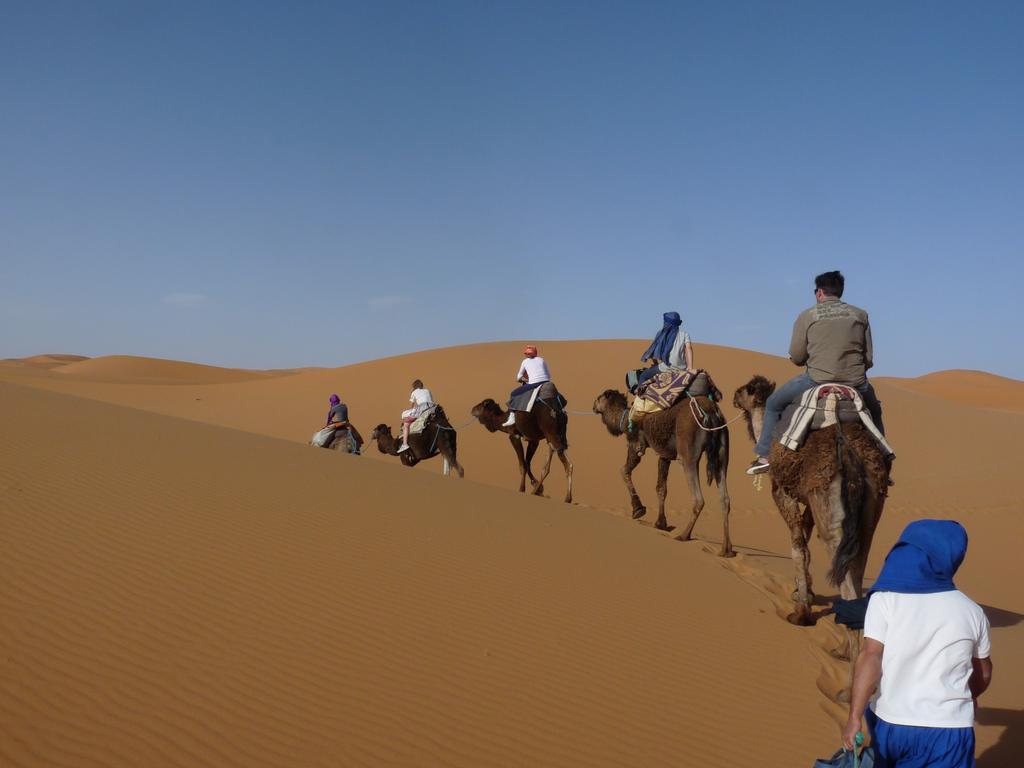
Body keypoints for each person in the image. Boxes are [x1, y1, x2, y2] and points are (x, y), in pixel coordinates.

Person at [842, 519, 992, 767]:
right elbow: (983, 671)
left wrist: (854, 717)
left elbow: (871, 656)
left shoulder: (884, 599)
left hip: (889, 724)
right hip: (948, 730)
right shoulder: (972, 611)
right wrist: (970, 695)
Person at [747, 270, 885, 475]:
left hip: (816, 379)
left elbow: (797, 356)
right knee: (875, 410)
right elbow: (868, 358)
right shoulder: (861, 315)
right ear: (840, 292)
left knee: (773, 403)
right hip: (856, 382)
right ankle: (881, 457)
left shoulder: (807, 316)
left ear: (820, 292)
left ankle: (765, 455)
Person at [636, 311, 694, 388]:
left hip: (666, 368)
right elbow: (688, 348)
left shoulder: (661, 333)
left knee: (643, 375)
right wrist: (690, 366)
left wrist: (655, 363)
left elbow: (654, 351)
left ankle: (640, 398)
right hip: (682, 369)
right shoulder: (685, 334)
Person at [502, 345, 551, 427]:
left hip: (534, 383)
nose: (527, 355)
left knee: (513, 393)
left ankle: (512, 417)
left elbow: (519, 377)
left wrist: (525, 380)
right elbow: (549, 375)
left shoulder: (525, 361)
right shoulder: (542, 359)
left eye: (528, 353)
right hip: (546, 381)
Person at [398, 379, 434, 453]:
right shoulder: (427, 390)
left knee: (406, 423)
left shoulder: (414, 392)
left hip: (422, 408)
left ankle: (405, 444)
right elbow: (431, 401)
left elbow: (411, 406)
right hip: (432, 408)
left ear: (414, 386)